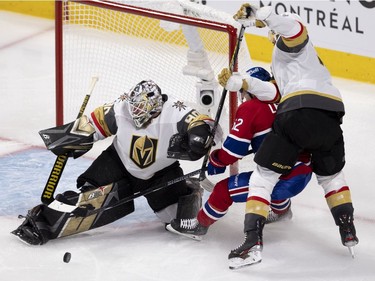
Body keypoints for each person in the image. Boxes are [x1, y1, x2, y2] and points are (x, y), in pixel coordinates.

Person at [217, 4, 359, 269]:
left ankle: (252, 243)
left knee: (263, 177)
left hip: (297, 113)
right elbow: (271, 92)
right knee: (331, 177)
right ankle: (347, 230)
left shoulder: (290, 44)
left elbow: (294, 29)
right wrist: (240, 83)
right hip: (329, 116)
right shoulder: (302, 63)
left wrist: (264, 14)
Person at [12, 79, 220, 245]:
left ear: (155, 105)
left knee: (173, 220)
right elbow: (95, 122)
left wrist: (199, 135)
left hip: (160, 173)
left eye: (140, 110)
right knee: (90, 193)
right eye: (133, 108)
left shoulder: (176, 110)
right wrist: (70, 137)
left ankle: (190, 190)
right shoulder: (122, 106)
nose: (135, 114)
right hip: (119, 161)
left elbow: (204, 123)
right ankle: (54, 216)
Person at [165, 67, 312, 242]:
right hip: (304, 169)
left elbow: (233, 150)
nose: (242, 96)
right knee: (267, 171)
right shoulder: (284, 99)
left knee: (223, 190)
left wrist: (216, 160)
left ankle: (199, 225)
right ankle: (283, 211)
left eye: (243, 91)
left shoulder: (252, 108)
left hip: (284, 178)